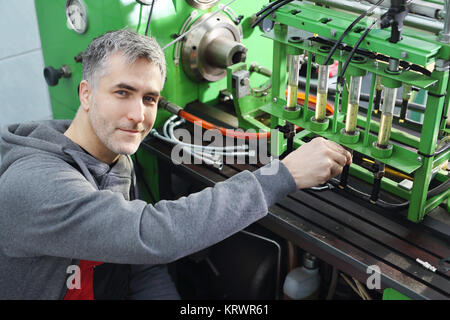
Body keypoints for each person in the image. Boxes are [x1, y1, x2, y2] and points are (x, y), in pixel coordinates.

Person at [0, 29, 352, 300]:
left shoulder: (115, 160)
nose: (138, 116)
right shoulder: (34, 184)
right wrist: (282, 175)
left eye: (149, 98)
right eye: (122, 92)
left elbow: (134, 263)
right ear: (86, 93)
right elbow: (150, 235)